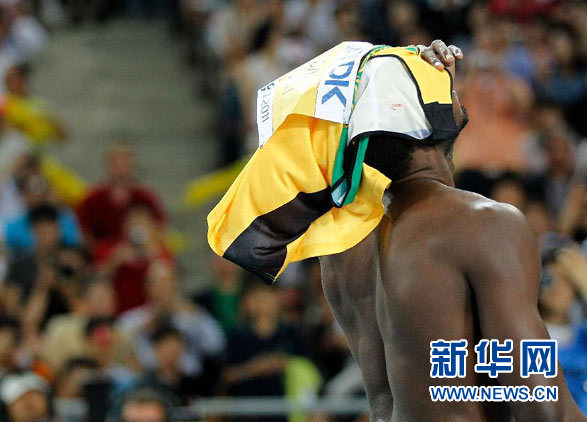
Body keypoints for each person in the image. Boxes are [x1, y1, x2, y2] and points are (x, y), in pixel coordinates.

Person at [318, 40, 584, 421]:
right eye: (426, 79)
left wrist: (411, 88)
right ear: (427, 117)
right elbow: (546, 409)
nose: (443, 73)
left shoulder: (342, 249)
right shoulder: (484, 224)